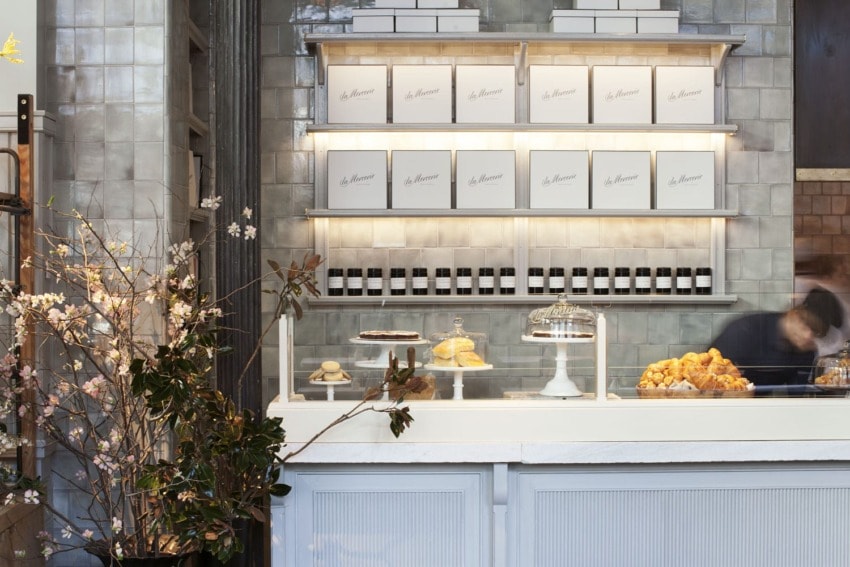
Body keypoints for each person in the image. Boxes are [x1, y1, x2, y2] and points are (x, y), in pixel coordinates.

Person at [710, 304, 832, 387]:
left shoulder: (805, 348)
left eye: (816, 332)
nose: (808, 335)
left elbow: (797, 396)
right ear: (792, 315)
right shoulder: (745, 330)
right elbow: (709, 379)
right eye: (805, 325)